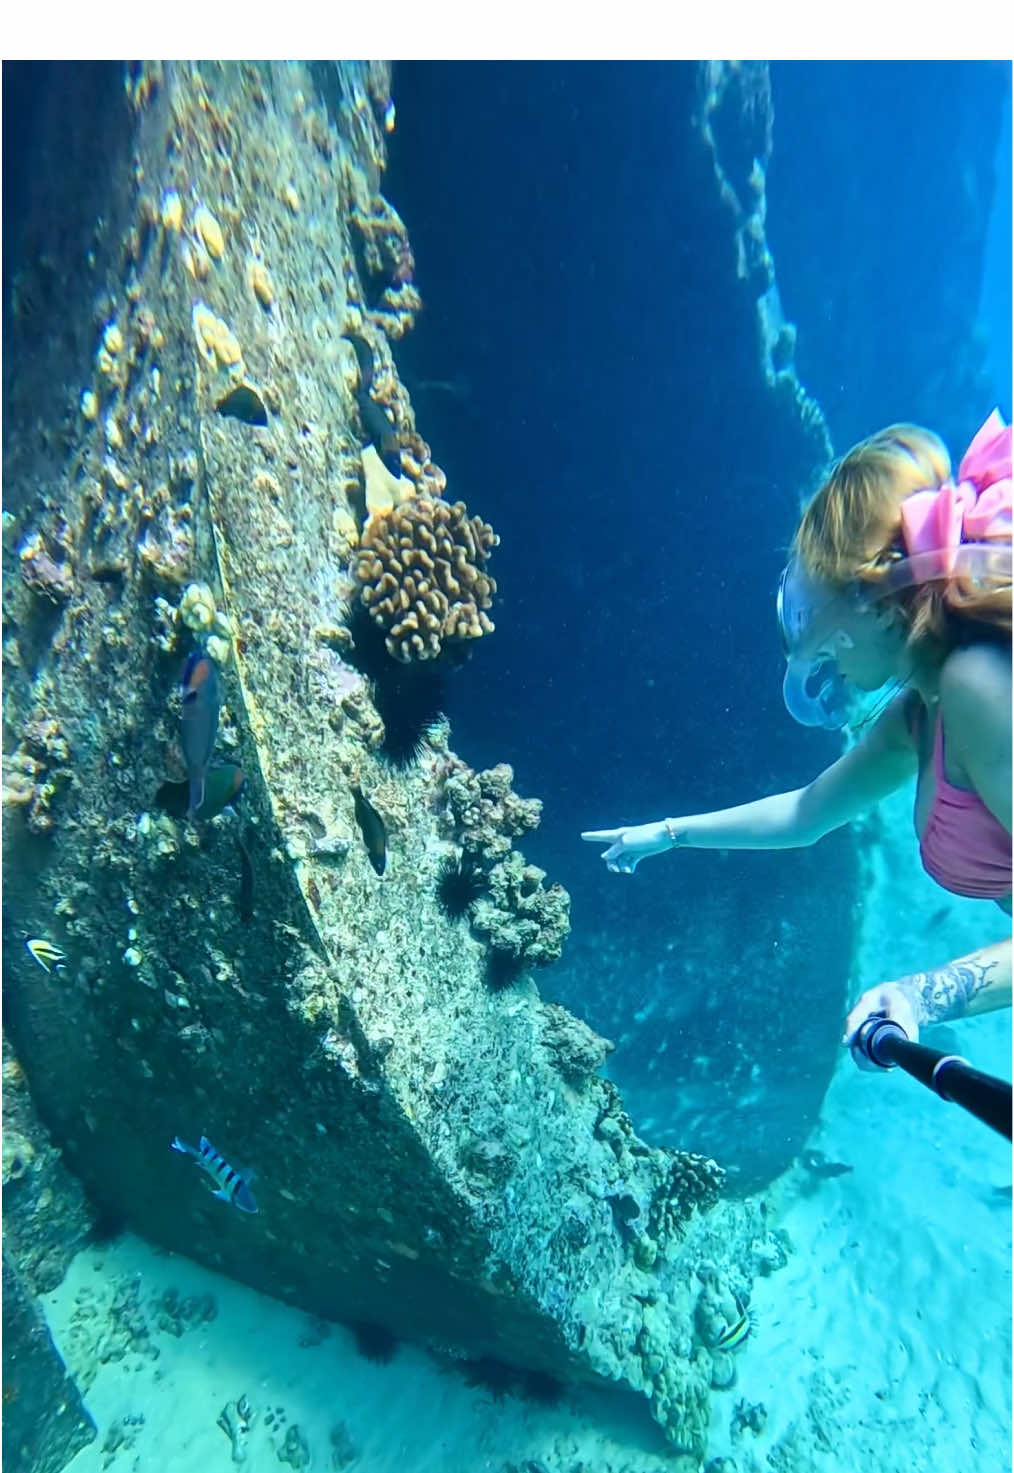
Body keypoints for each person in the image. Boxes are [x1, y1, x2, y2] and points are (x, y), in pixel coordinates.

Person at [583, 410, 1012, 1056]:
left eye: (818, 612)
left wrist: (925, 994)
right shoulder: (923, 713)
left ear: (877, 603)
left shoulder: (975, 686)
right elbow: (807, 812)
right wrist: (668, 834)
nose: (814, 647)